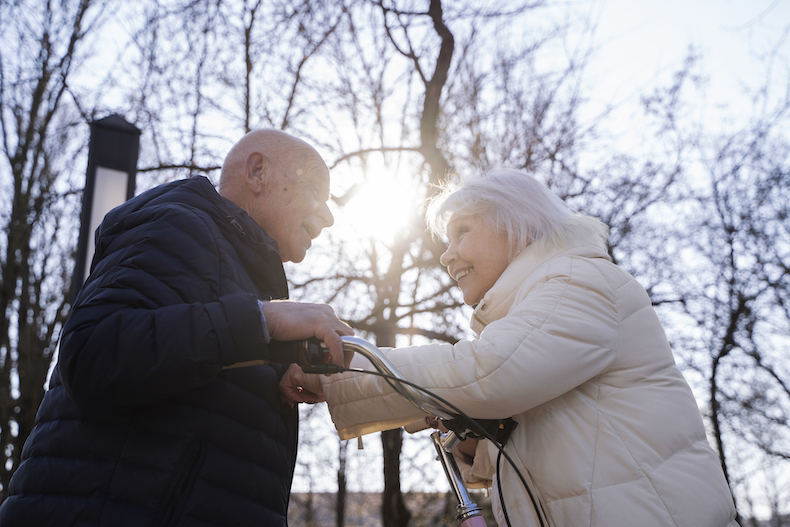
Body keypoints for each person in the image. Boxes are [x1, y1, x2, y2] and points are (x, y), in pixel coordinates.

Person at [284, 168, 739, 526]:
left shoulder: (577, 279)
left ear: (516, 225)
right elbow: (569, 441)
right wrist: (476, 452)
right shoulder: (546, 301)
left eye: (463, 231)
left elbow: (491, 371)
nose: (446, 256)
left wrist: (346, 371)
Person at [0, 129, 353, 527]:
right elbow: (91, 354)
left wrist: (280, 363)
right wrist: (263, 321)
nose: (328, 215)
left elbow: (192, 362)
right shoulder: (177, 225)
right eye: (315, 190)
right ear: (258, 173)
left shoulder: (234, 271)